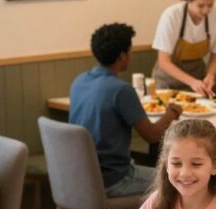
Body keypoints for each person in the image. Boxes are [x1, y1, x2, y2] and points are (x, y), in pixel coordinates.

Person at [69, 23, 181, 197]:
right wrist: (171, 114)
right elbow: (151, 135)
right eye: (130, 50)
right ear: (122, 56)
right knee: (179, 179)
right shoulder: (121, 90)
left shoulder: (79, 82)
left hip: (78, 178)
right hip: (114, 179)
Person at [151, 0, 216, 96]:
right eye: (200, 6)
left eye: (210, 5)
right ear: (188, 0)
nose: (206, 10)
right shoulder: (172, 15)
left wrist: (210, 76)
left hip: (197, 78)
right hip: (168, 81)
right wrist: (192, 82)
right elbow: (164, 61)